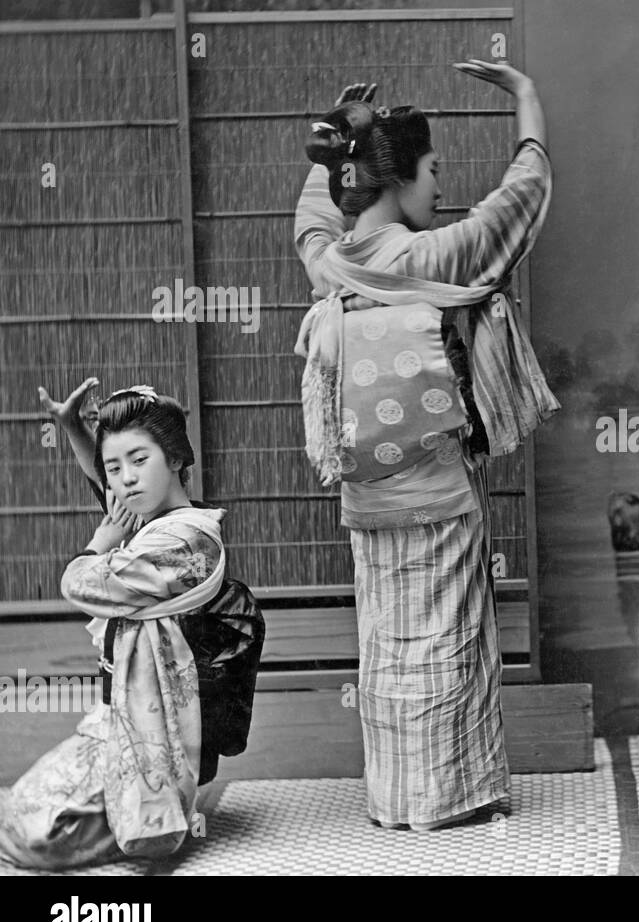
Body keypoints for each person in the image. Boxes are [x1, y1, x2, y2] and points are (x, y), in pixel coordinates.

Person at [292, 64, 557, 829]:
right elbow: (520, 205)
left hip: (368, 498)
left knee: (389, 645)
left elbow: (312, 220)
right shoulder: (429, 258)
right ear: (399, 176)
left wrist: (340, 129)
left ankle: (396, 800)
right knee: (448, 640)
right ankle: (451, 795)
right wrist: (530, 102)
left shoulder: (334, 263)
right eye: (433, 170)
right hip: (439, 492)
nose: (441, 185)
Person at [0, 385, 257, 870]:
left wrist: (100, 542)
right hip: (125, 712)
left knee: (35, 836)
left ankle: (145, 819)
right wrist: (73, 427)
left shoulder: (184, 541)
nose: (125, 480)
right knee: (20, 809)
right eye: (116, 468)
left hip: (155, 727)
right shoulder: (159, 519)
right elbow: (110, 489)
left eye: (139, 460)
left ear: (177, 457)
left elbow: (81, 583)